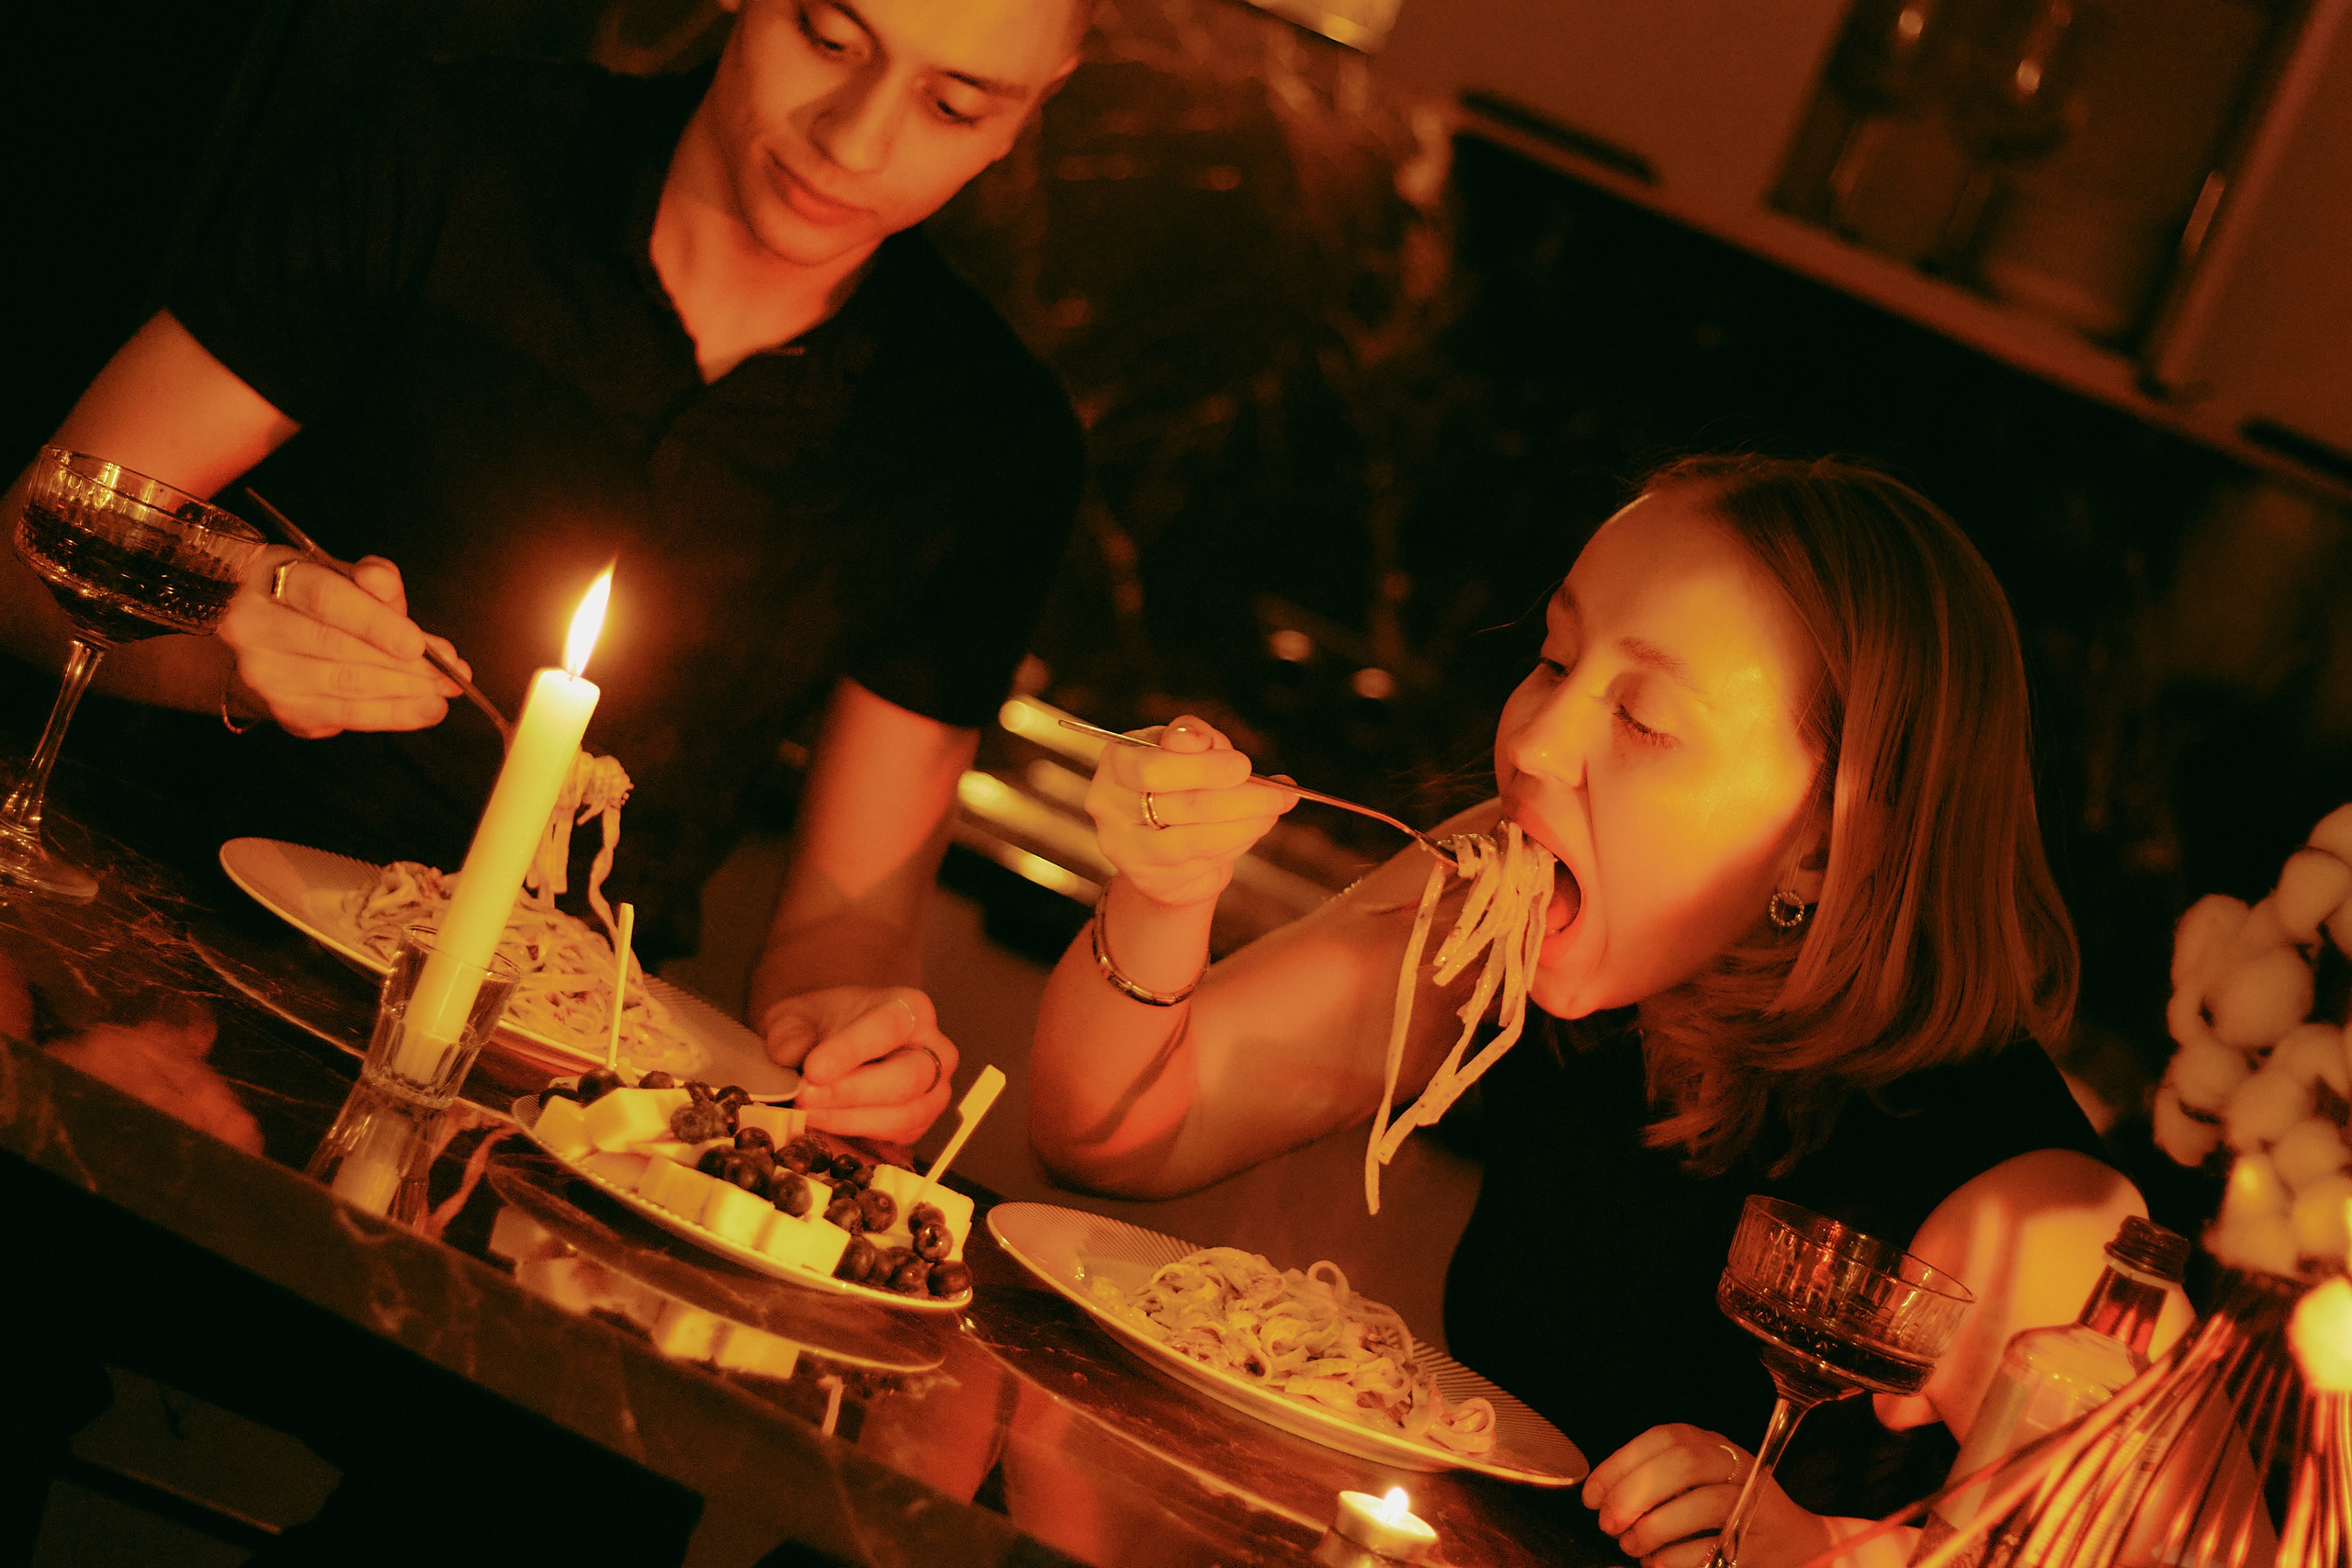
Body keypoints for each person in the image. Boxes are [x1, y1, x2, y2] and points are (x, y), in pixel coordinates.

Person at [1026, 455, 2189, 1566]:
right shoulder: (1512, 903)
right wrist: (1163, 896)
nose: (1533, 744)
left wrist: (1830, 1554)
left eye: (1640, 720)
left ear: (1829, 851)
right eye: (1551, 659)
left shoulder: (2034, 1212)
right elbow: (1116, 1135)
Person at [0, 0, 1095, 1145]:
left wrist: (850, 1026)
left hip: (545, 1105)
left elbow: (846, 928)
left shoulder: (988, 439)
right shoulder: (452, 151)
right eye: (828, 38)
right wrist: (219, 652)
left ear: (1032, 109)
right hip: (146, 942)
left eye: (953, 102)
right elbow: (24, 559)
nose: (855, 138)